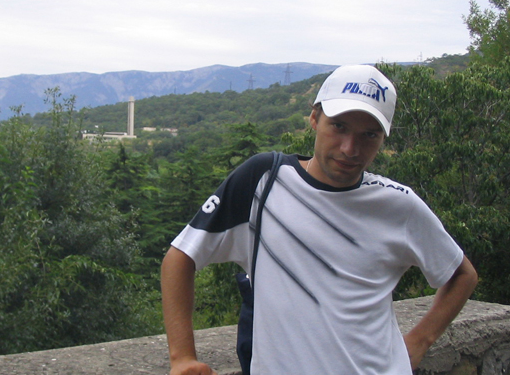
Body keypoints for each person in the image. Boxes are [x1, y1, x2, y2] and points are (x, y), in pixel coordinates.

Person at [161, 64, 478, 375]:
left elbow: (462, 275)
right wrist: (183, 357)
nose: (350, 149)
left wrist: (420, 340)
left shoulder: (398, 204)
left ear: (383, 138)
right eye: (339, 126)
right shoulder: (264, 180)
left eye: (369, 135)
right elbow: (180, 257)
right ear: (314, 118)